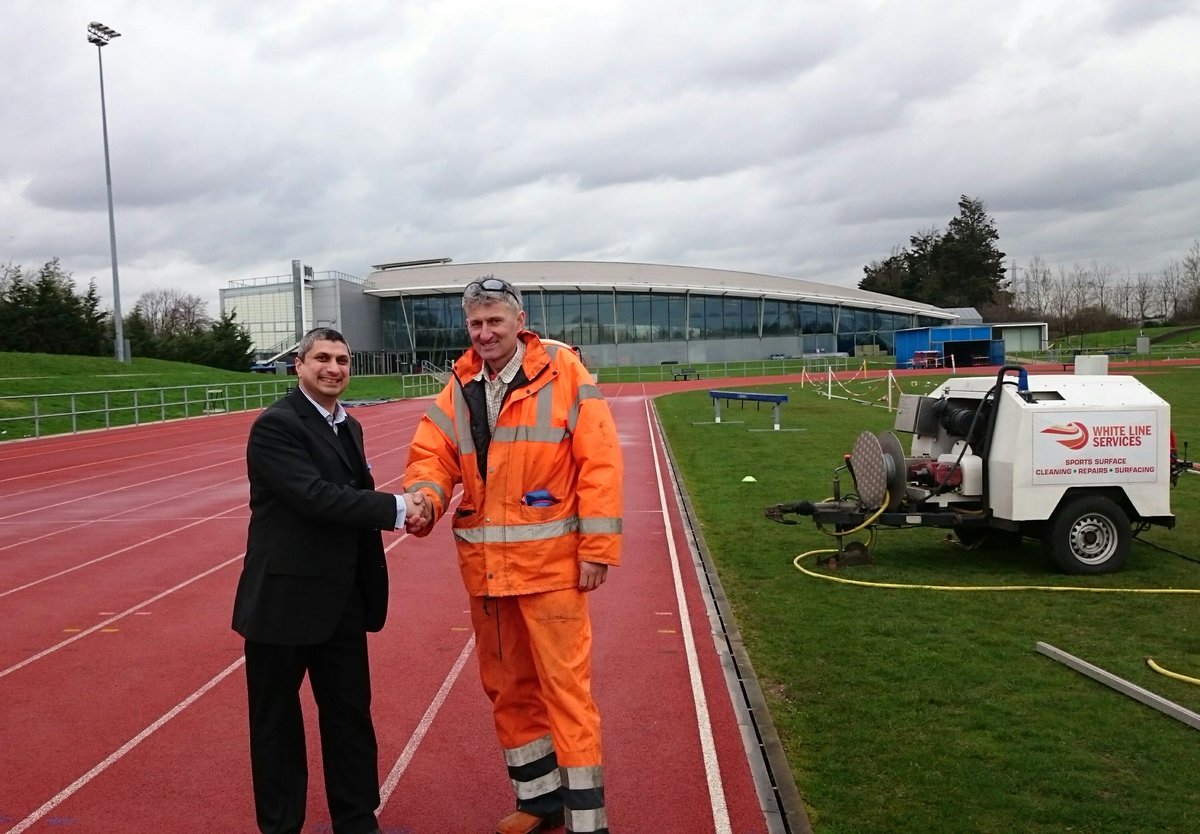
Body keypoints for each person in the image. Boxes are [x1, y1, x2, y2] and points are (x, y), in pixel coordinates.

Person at [403, 277, 623, 834]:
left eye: (494, 322)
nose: (484, 334)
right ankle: (540, 802)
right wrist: (427, 496)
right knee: (508, 690)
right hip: (488, 572)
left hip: (551, 569)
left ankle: (586, 822)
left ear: (518, 322)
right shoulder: (461, 381)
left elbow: (599, 460)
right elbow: (434, 453)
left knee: (566, 694)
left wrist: (598, 548)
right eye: (475, 324)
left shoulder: (563, 371)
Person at [232, 327, 427, 834]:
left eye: (342, 359)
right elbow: (315, 497)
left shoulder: (349, 426)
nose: (334, 368)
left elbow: (346, 501)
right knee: (277, 725)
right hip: (283, 602)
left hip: (342, 600)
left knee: (350, 719)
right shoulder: (275, 426)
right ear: (298, 365)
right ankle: (281, 827)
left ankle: (358, 821)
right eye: (322, 358)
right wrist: (401, 508)